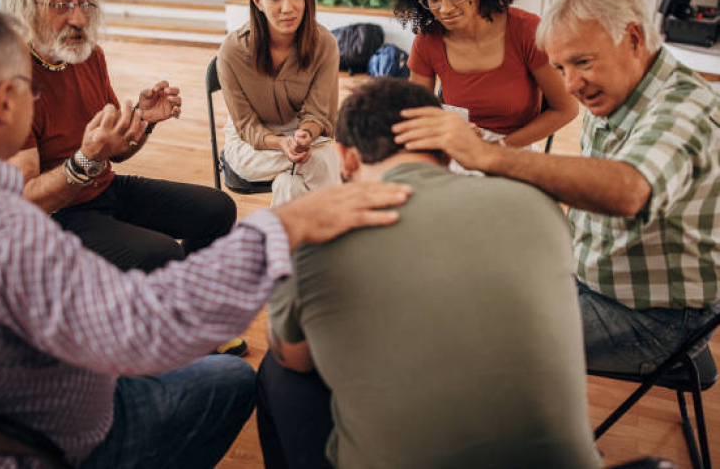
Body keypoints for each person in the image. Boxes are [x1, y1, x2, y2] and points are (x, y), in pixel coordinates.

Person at [0, 0, 411, 467]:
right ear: (6, 102)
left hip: (17, 398)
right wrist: (279, 228)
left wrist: (132, 131)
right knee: (234, 380)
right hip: (50, 442)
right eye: (27, 89)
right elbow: (147, 324)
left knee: (213, 214)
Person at [257, 78, 601, 469]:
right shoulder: (536, 204)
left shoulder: (318, 235)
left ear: (345, 158)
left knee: (277, 368)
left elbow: (295, 359)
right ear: (445, 147)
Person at [393, 0, 720, 376]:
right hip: (594, 278)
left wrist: (487, 156)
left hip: (657, 319)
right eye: (562, 68)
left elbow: (629, 189)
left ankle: (541, 438)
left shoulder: (684, 108)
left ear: (634, 38)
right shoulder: (621, 92)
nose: (571, 85)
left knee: (474, 336)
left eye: (582, 62)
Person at [2, 0, 250, 356]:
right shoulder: (13, 82)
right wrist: (86, 159)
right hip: (57, 218)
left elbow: (115, 154)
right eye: (62, 3)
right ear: (26, 7)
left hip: (105, 189)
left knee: (218, 208)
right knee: (162, 253)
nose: (78, 17)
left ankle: (179, 306)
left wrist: (143, 122)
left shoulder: (87, 56)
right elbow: (25, 199)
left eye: (85, 2)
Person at [393, 0, 577, 151]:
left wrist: (497, 146)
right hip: (458, 148)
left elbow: (566, 109)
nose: (445, 8)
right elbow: (418, 113)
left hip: (514, 149)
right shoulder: (428, 41)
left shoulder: (527, 31)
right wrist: (449, 129)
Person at [217, 0, 341, 206]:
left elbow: (318, 114)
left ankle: (282, 245)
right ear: (257, 1)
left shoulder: (324, 45)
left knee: (290, 183)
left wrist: (303, 135)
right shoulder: (232, 52)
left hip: (304, 137)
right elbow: (247, 127)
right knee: (323, 159)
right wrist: (280, 144)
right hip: (252, 147)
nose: (288, 8)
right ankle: (336, 238)